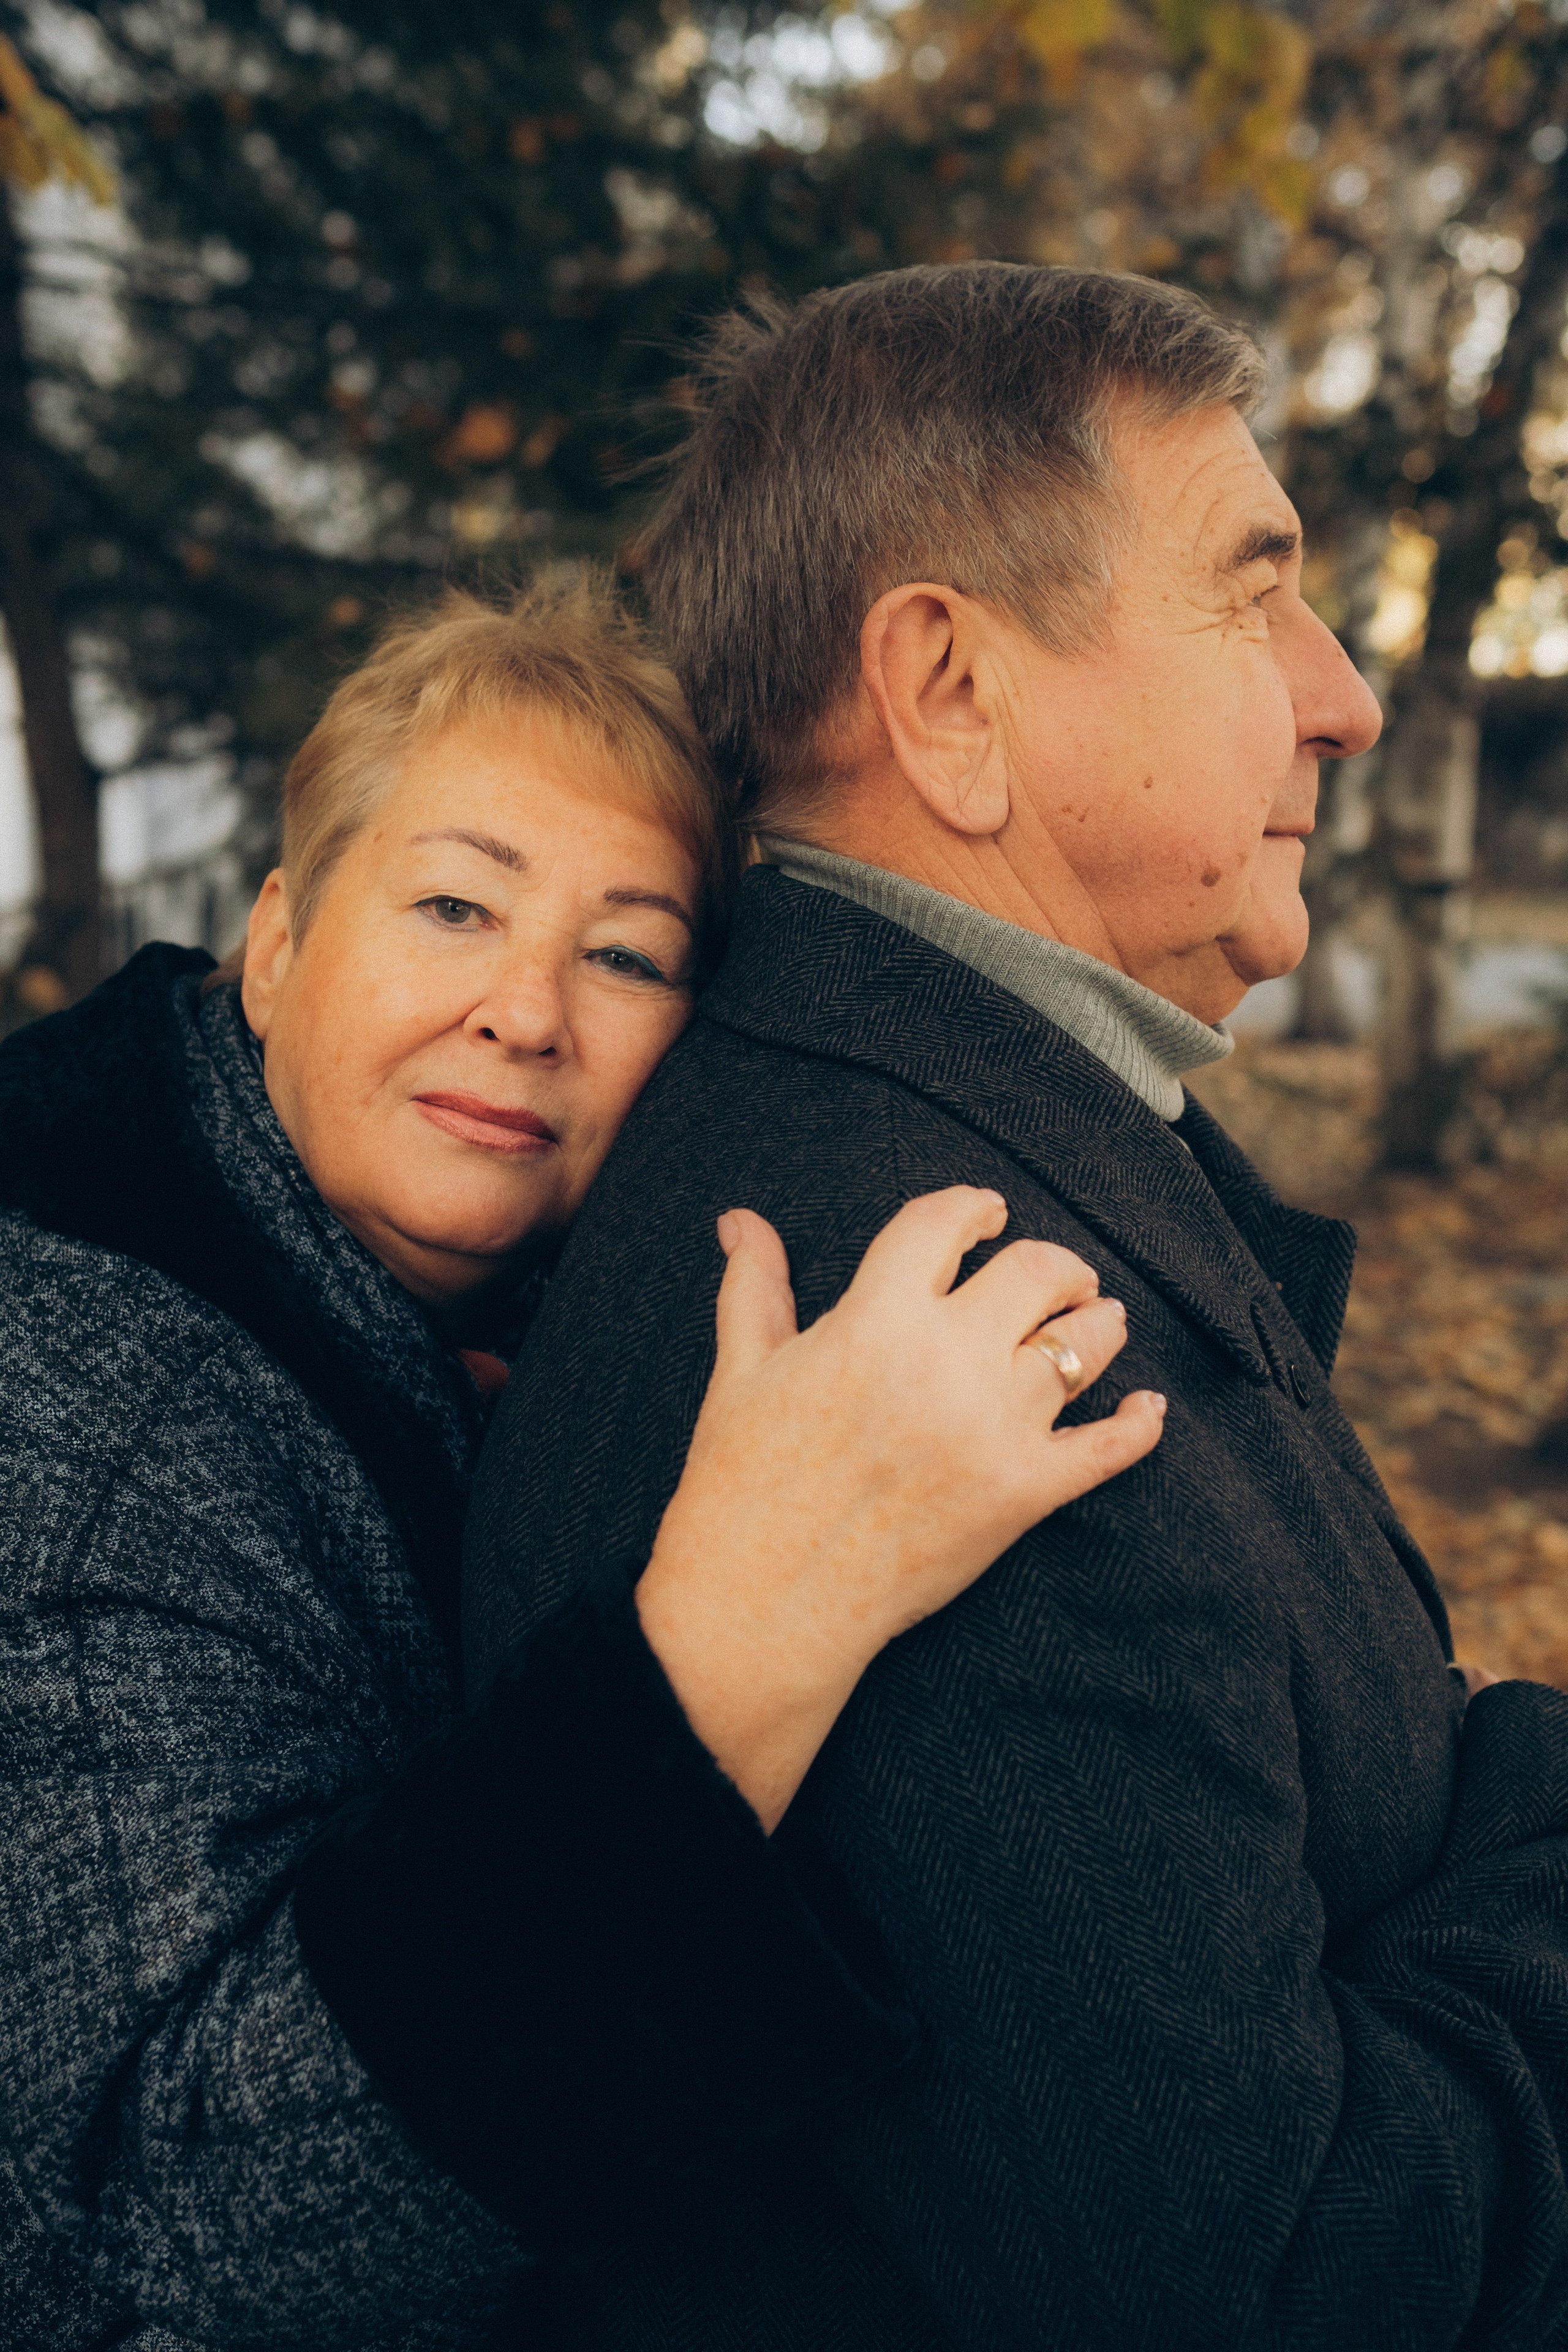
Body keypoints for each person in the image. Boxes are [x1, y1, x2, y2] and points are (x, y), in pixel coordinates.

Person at [464, 265, 1568, 2350]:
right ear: (950, 694)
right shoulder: (943, 1323)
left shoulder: (961, 1151)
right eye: (1255, 594)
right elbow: (1288, 2285)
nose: (1343, 694)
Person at [0, 573, 1164, 2351]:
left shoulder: (507, 1300)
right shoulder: (84, 1398)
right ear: (279, 937)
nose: (529, 1012)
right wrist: (752, 1619)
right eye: (456, 904)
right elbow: (152, 2241)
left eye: (625, 952)